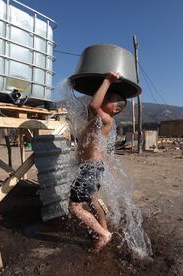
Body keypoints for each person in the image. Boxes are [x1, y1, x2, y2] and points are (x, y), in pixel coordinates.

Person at [69, 71, 127, 252]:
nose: (103, 99)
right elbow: (92, 104)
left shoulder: (106, 119)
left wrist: (108, 80)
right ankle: (105, 231)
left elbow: (94, 105)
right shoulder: (96, 120)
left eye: (108, 98)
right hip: (91, 167)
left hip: (90, 168)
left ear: (115, 109)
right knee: (93, 200)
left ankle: (103, 234)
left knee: (74, 207)